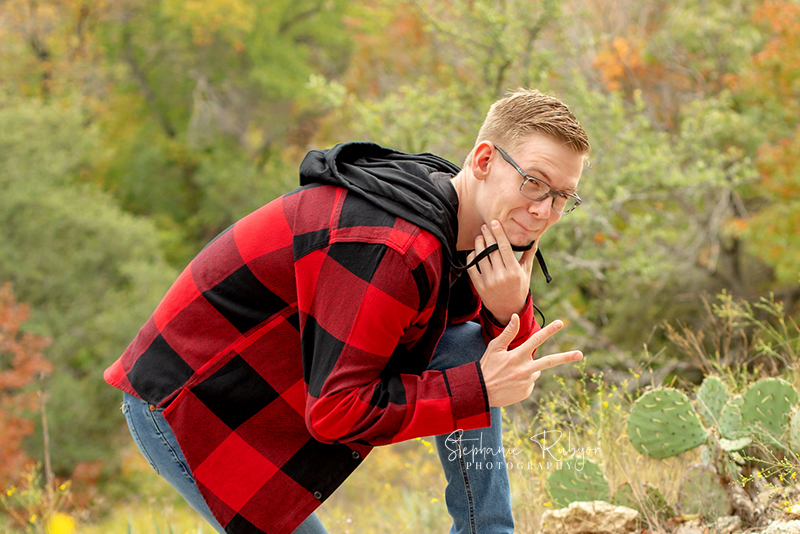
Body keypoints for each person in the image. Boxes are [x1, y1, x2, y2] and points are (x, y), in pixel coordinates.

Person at [104, 88, 590, 534]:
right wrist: (475, 389)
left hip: (296, 377)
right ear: (483, 160)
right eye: (533, 183)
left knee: (467, 347)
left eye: (563, 196)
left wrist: (508, 309)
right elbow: (336, 413)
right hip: (193, 399)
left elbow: (502, 363)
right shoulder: (395, 247)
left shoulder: (467, 222)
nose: (544, 211)